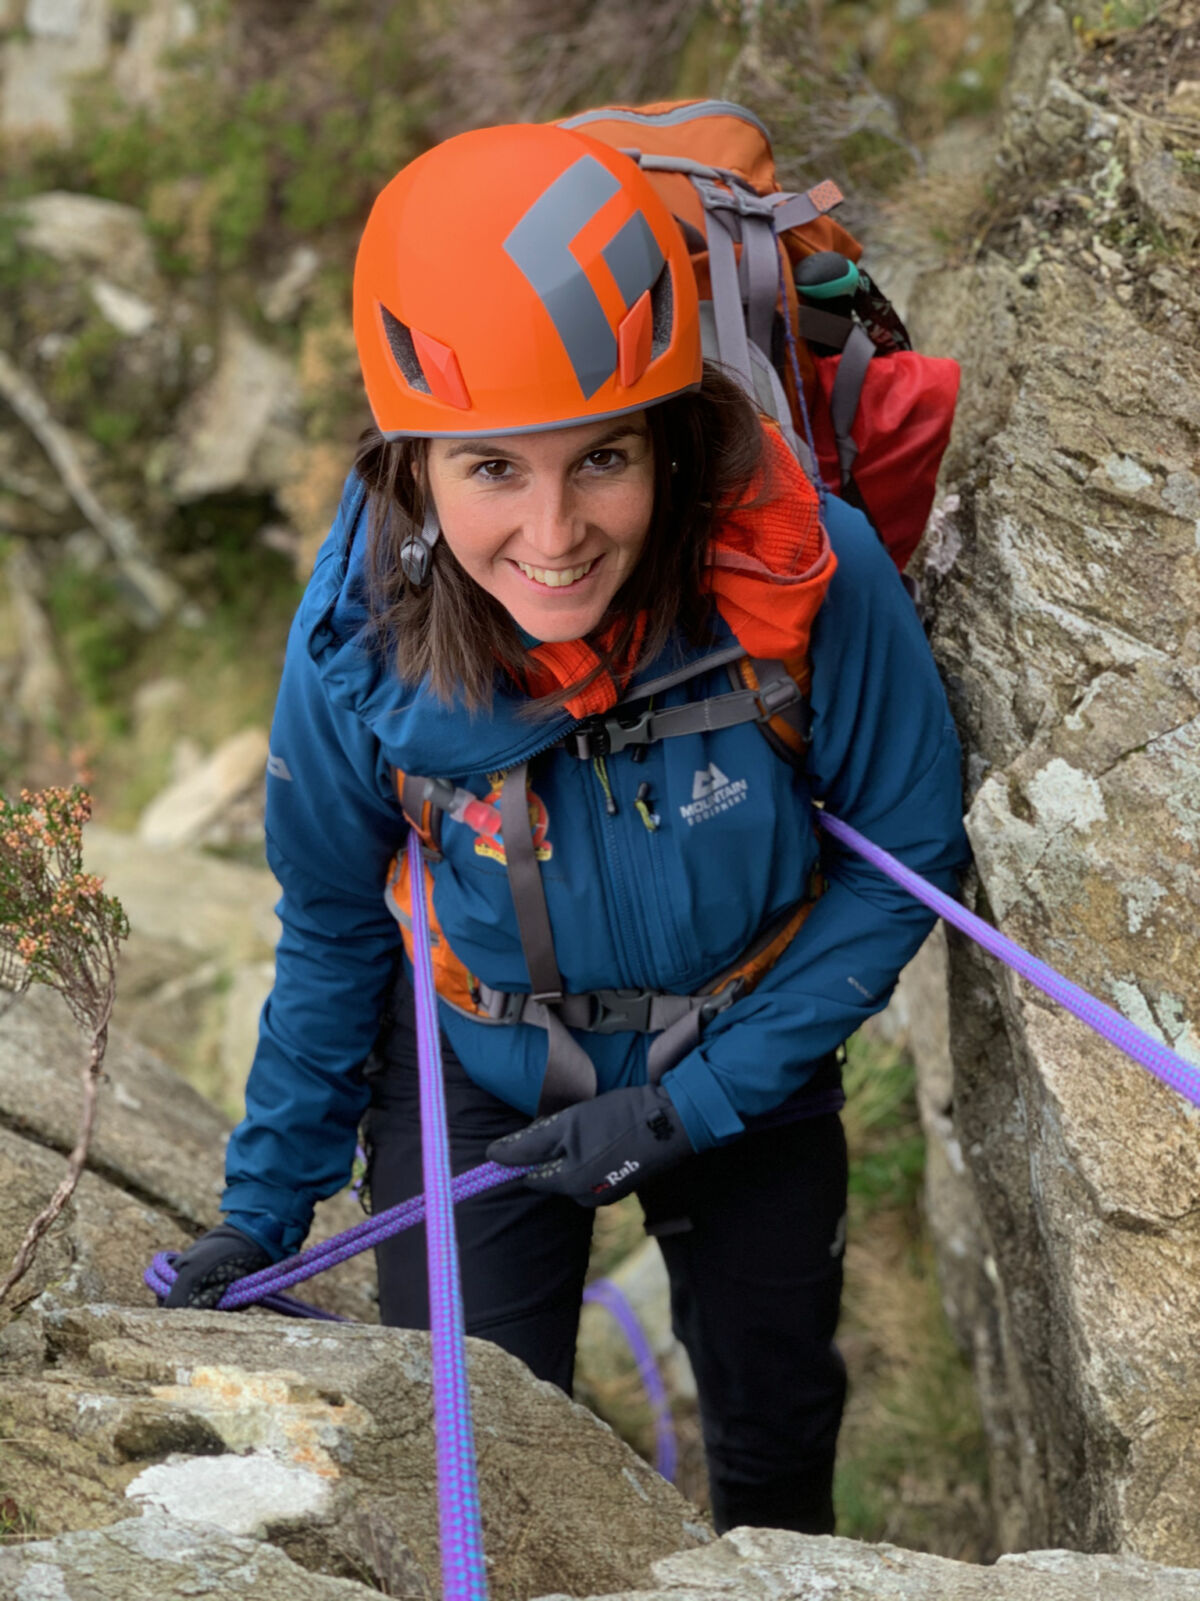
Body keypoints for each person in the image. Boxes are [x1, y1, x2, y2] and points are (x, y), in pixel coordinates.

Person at [164, 121, 968, 1536]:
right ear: (414, 467)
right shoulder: (359, 649)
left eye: (601, 457)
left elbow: (905, 851)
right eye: (491, 470)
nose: (553, 533)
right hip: (484, 1065)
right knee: (472, 1460)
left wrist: (691, 1102)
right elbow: (341, 922)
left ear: (666, 437)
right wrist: (267, 1204)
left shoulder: (802, 574)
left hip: (747, 1051)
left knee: (776, 1429)